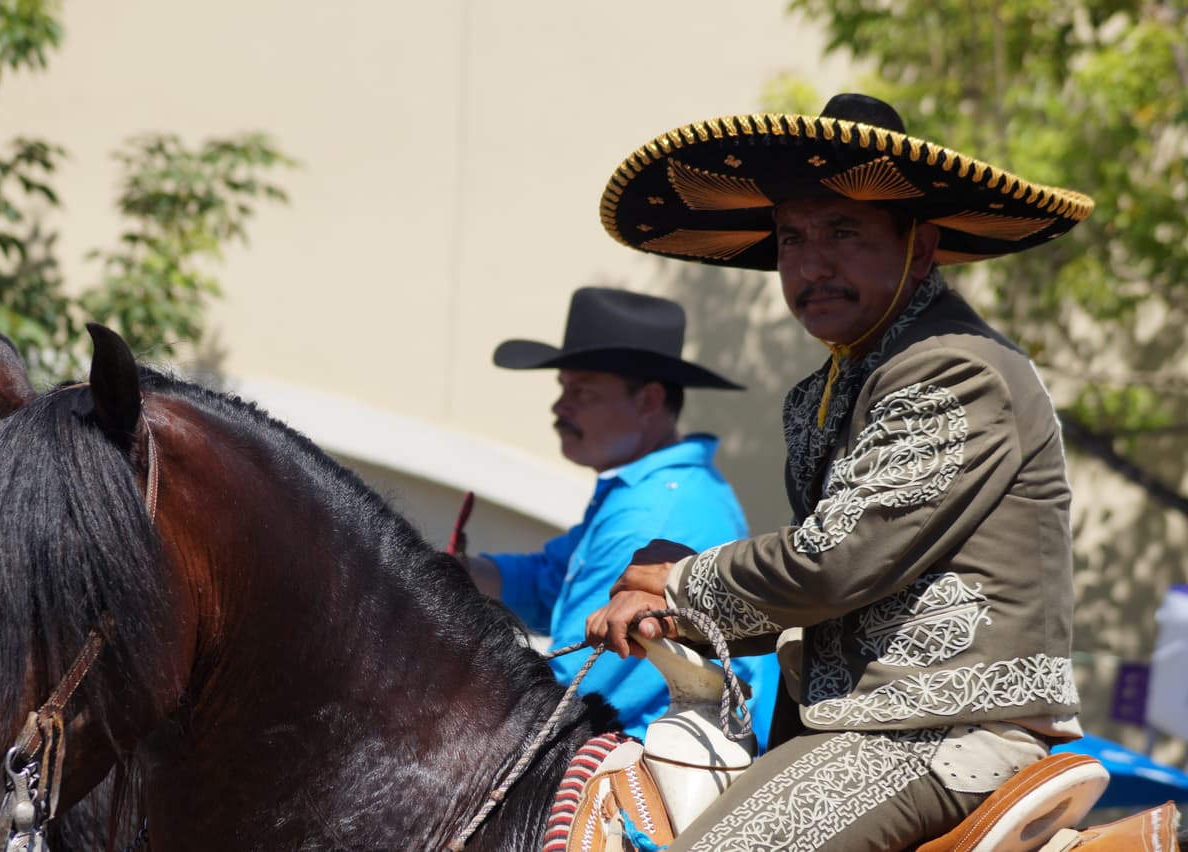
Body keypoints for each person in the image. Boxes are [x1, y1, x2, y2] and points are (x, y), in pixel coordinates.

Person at [585, 93, 1094, 849]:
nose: (810, 265)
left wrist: (681, 583)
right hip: (869, 726)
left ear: (919, 248)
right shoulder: (862, 375)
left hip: (937, 732)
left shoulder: (952, 368)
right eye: (792, 239)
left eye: (844, 232)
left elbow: (835, 563)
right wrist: (686, 613)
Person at [463, 286, 779, 741]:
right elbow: (550, 580)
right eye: (563, 389)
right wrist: (454, 573)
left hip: (641, 780)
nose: (559, 407)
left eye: (582, 392)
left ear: (649, 401)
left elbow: (569, 692)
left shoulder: (656, 509)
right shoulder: (646, 489)